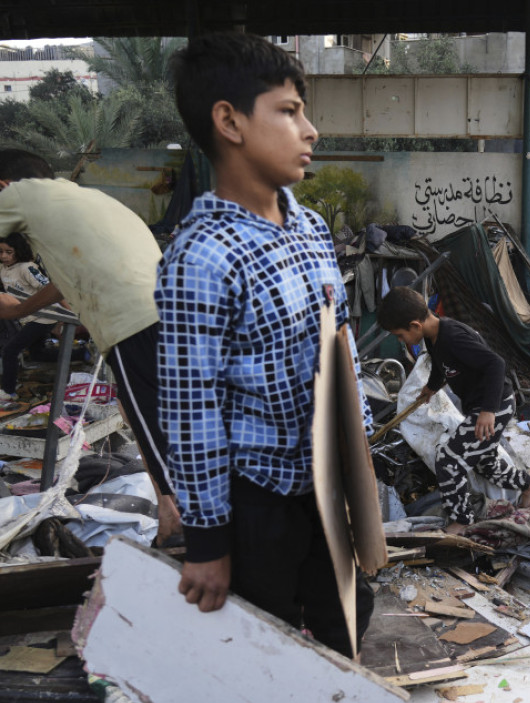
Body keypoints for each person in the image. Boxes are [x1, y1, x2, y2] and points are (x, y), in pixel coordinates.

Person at [158, 31, 375, 657]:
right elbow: (190, 410)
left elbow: (341, 351)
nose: (310, 130)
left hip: (326, 487)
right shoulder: (200, 257)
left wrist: (358, 464)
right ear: (228, 121)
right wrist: (209, 543)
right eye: (288, 111)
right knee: (258, 651)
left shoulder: (308, 226)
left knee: (348, 627)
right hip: (258, 500)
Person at [0, 148, 180, 546]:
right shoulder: (84, 201)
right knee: (138, 417)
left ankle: (195, 530)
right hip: (169, 313)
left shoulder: (20, 196)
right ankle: (172, 524)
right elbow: (67, 278)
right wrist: (20, 308)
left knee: (156, 430)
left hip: (137, 322)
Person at [378, 286, 530, 526]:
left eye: (400, 335)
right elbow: (439, 364)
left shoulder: (453, 336)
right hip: (481, 405)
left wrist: (488, 411)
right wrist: (432, 387)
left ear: (415, 325)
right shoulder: (433, 338)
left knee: (448, 459)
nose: (400, 340)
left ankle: (461, 521)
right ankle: (529, 482)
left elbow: (496, 364)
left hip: (494, 405)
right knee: (484, 462)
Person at [0, 234, 58, 401]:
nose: (4, 256)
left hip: (44, 317)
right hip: (28, 318)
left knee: (10, 350)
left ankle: (8, 391)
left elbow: (52, 290)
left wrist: (67, 315)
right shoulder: (4, 269)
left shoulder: (27, 268)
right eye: (1, 252)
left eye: (8, 252)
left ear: (19, 252)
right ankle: (82, 354)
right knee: (37, 354)